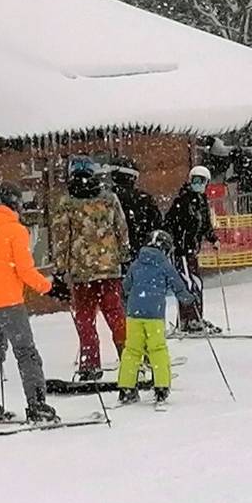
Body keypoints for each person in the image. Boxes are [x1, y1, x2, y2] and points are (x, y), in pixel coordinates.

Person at [0, 183, 68, 424]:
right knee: (26, 353)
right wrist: (50, 287)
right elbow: (25, 270)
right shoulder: (16, 231)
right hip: (9, 303)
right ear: (13, 203)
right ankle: (37, 404)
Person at [53, 162, 131, 381]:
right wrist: (124, 257)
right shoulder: (109, 199)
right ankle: (129, 358)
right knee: (115, 314)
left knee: (85, 319)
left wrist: (60, 270)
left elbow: (62, 237)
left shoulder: (67, 203)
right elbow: (121, 229)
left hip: (81, 271)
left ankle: (90, 363)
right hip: (109, 268)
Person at [117, 230, 193, 406]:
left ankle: (127, 388)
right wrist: (187, 299)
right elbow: (177, 283)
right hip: (155, 315)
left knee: (132, 350)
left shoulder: (137, 263)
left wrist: (129, 299)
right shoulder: (163, 263)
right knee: (157, 349)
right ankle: (161, 387)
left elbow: (126, 286)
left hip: (134, 314)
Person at [166, 165, 222, 335]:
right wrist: (175, 243)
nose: (198, 184)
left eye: (201, 181)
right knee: (189, 284)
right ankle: (189, 319)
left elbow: (204, 224)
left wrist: (213, 239)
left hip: (192, 250)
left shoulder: (201, 201)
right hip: (182, 250)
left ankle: (194, 317)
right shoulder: (183, 201)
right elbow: (170, 223)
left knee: (196, 282)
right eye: (195, 180)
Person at [104, 158, 165, 260]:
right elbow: (156, 226)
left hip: (112, 256)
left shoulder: (106, 200)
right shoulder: (144, 199)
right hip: (140, 254)